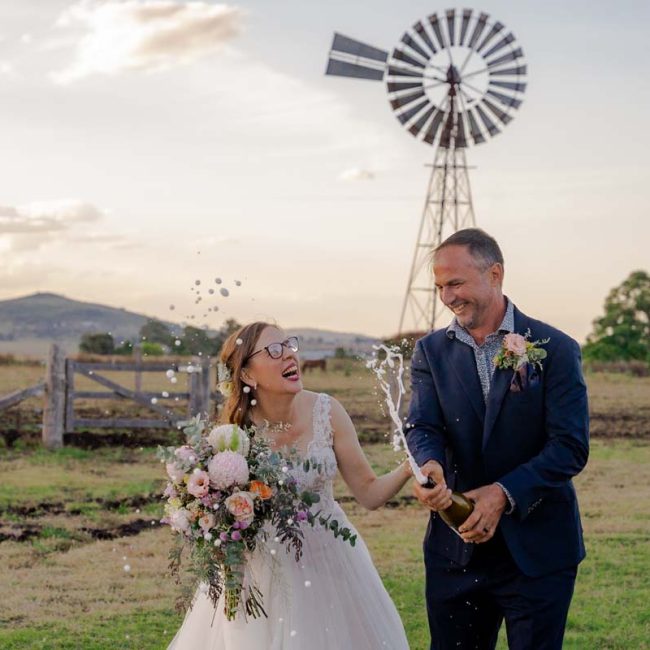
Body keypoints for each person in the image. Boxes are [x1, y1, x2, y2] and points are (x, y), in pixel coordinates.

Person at [168, 321, 411, 649]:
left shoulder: (327, 412)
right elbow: (220, 516)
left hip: (333, 564)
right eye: (274, 350)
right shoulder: (233, 439)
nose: (290, 356)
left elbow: (369, 493)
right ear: (247, 375)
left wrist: (410, 468)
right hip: (266, 574)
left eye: (290, 346)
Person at [406, 228, 589, 650]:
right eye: (439, 287)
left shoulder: (556, 348)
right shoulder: (430, 351)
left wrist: (503, 493)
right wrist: (428, 460)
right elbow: (423, 425)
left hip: (538, 550)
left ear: (495, 273)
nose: (447, 297)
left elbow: (570, 446)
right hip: (456, 549)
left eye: (455, 283)